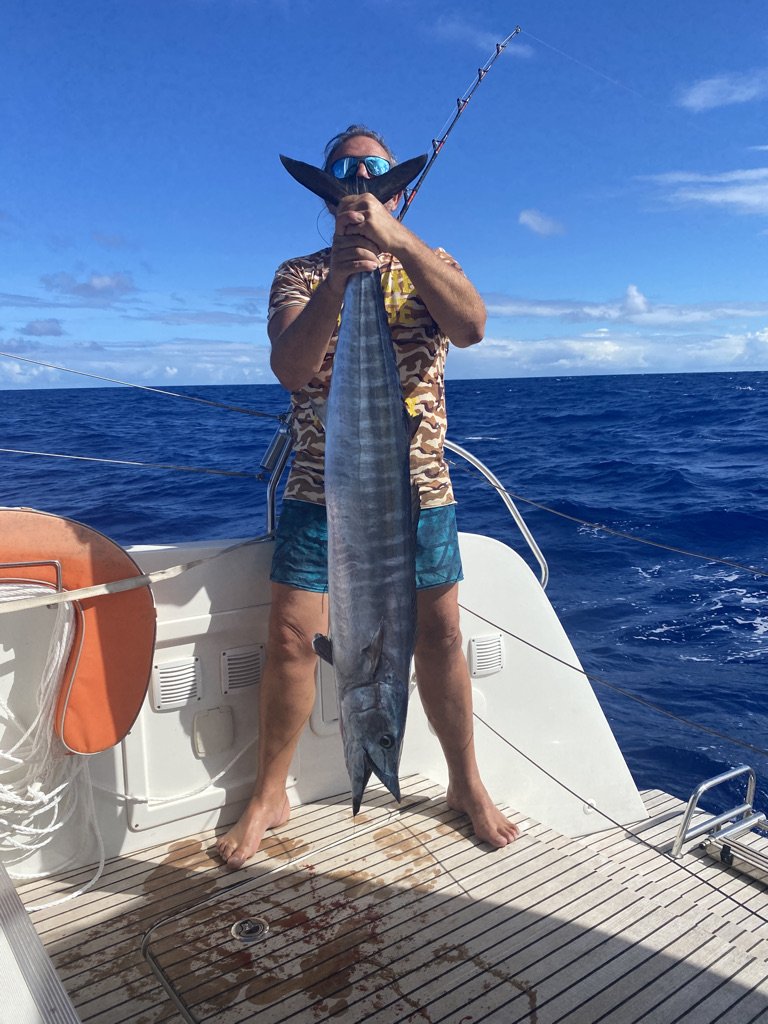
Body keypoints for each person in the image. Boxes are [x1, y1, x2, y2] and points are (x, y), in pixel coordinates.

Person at [216, 125, 519, 870]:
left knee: (440, 636)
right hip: (321, 489)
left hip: (419, 490)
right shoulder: (299, 273)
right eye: (344, 173)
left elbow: (472, 327)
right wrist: (344, 279)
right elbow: (291, 368)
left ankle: (464, 784)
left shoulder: (433, 262)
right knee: (291, 639)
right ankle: (269, 794)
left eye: (374, 172)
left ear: (396, 188)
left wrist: (398, 246)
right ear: (328, 193)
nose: (358, 182)